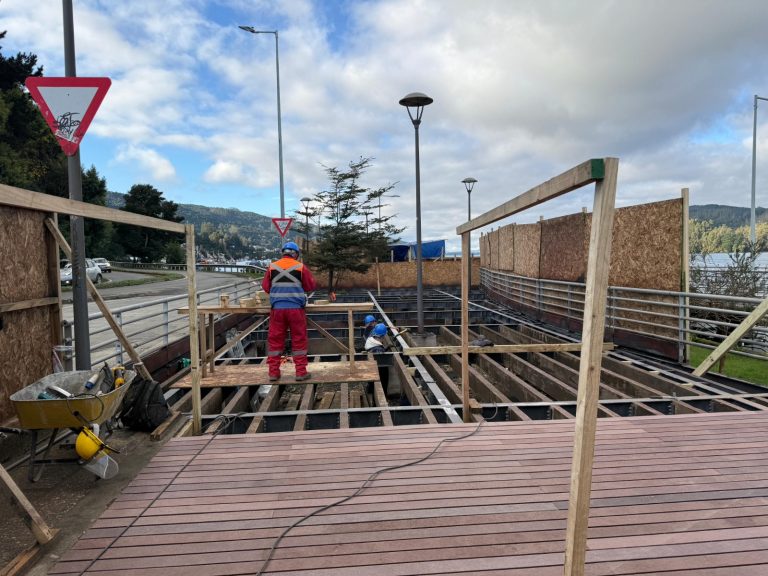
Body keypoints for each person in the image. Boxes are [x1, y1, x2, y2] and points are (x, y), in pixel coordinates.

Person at [261, 241, 317, 381]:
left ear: (283, 253)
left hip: (277, 310)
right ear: (296, 254)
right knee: (299, 340)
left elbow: (266, 287)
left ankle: (273, 373)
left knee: (275, 341)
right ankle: (300, 373)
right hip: (295, 310)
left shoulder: (272, 267)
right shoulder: (300, 267)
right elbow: (310, 285)